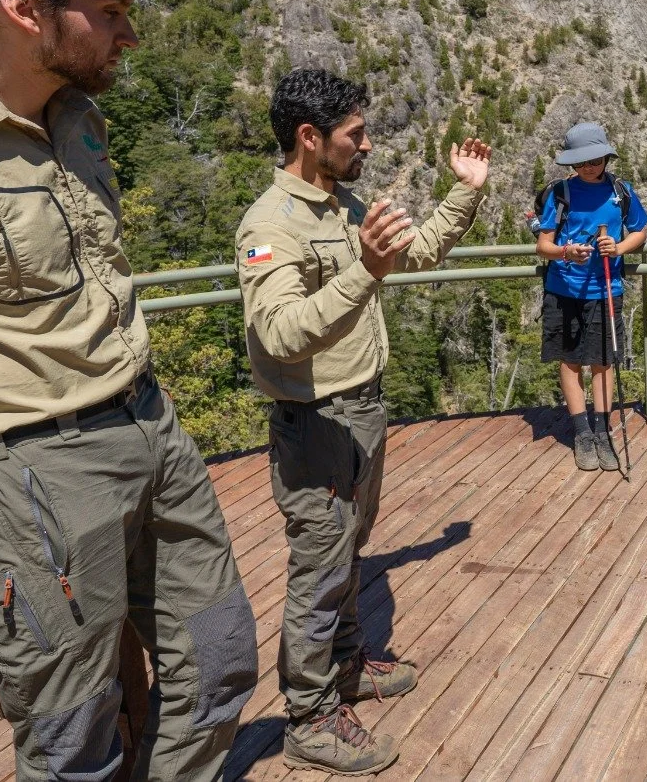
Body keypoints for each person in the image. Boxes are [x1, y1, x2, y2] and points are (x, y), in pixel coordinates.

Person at [0, 0, 257, 780]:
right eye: (113, 9)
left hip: (150, 425)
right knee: (74, 736)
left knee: (217, 661)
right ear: (24, 9)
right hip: (29, 473)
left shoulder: (78, 114)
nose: (130, 36)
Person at [235, 68, 490, 775]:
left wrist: (464, 192)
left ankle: (345, 670)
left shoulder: (341, 206)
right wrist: (363, 274)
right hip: (314, 424)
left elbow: (413, 252)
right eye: (355, 133)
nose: (368, 144)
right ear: (310, 138)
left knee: (348, 550)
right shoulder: (269, 225)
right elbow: (280, 334)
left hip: (361, 411)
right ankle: (310, 717)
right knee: (319, 567)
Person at [534, 121, 647, 472]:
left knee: (602, 361)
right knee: (570, 361)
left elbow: (640, 232)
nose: (588, 168)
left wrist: (617, 248)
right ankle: (582, 431)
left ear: (606, 157)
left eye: (595, 160)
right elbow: (544, 246)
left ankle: (602, 430)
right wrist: (565, 252)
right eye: (581, 163)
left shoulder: (621, 191)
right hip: (564, 288)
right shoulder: (559, 194)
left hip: (606, 289)